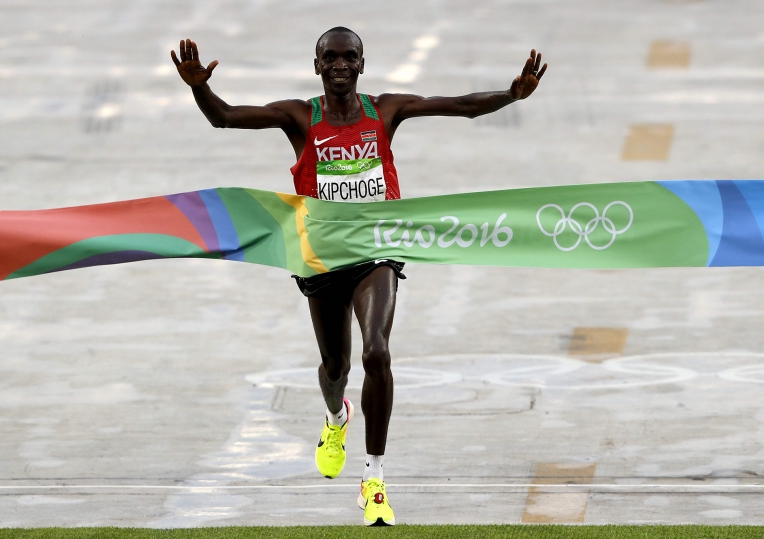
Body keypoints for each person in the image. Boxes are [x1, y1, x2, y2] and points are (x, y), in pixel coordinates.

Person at [171, 27, 546, 526]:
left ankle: (374, 480)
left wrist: (510, 93)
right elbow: (225, 118)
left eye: (350, 57)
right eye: (332, 58)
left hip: (377, 250)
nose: (341, 65)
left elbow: (460, 105)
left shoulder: (385, 111)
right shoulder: (299, 117)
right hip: (323, 257)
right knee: (334, 368)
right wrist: (199, 86)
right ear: (318, 65)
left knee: (377, 352)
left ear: (363, 64)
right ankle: (335, 417)